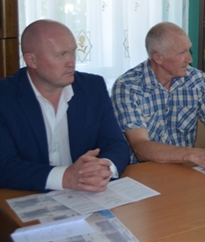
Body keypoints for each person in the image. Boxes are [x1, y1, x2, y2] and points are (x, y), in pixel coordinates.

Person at [111, 22, 205, 174]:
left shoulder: (197, 80)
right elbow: (140, 147)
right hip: (144, 173)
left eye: (189, 50)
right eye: (182, 53)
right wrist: (196, 155)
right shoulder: (128, 86)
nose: (189, 58)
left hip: (184, 170)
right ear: (158, 58)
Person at [0, 20, 129, 192]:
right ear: (32, 60)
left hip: (86, 196)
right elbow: (5, 165)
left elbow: (116, 144)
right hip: (25, 195)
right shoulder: (5, 97)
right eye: (61, 55)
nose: (71, 62)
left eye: (73, 52)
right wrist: (66, 177)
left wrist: (104, 169)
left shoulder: (93, 87)